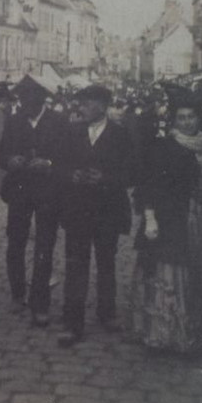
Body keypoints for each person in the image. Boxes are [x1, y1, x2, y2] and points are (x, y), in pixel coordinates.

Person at [131, 98, 202, 354]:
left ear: (199, 118)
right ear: (174, 121)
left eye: (191, 117)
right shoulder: (165, 147)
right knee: (173, 271)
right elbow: (150, 184)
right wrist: (150, 217)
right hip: (173, 217)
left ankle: (200, 331)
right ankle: (168, 334)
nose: (187, 122)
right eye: (182, 118)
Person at [56, 84, 135, 347]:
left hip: (107, 210)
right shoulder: (72, 132)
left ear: (102, 105)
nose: (81, 108)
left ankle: (106, 313)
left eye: (87, 103)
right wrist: (71, 175)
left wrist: (105, 179)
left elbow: (130, 173)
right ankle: (72, 323)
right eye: (81, 103)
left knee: (106, 263)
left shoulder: (121, 135)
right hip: (78, 208)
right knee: (76, 264)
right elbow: (60, 165)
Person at [0, 76, 69, 326]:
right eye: (22, 100)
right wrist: (10, 161)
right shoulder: (14, 122)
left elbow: (68, 158)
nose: (25, 105)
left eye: (31, 101)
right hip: (19, 189)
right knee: (15, 242)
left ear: (42, 101)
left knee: (44, 246)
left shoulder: (59, 122)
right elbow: (1, 154)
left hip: (48, 192)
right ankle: (18, 294)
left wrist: (49, 164)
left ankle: (40, 302)